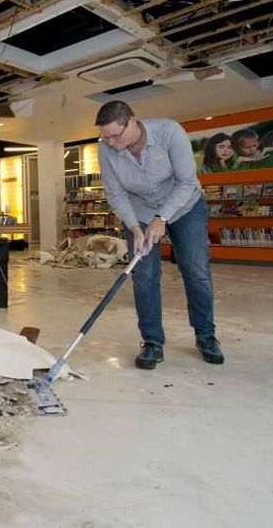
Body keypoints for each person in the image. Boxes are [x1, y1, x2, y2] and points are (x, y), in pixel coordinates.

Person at [95, 100, 224, 369]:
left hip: (185, 206)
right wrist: (134, 227)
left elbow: (187, 182)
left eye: (114, 135)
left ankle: (206, 336)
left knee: (196, 270)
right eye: (104, 136)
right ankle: (152, 342)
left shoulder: (169, 132)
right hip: (141, 213)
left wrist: (161, 218)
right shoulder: (106, 147)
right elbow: (115, 193)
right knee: (145, 275)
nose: (109, 142)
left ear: (132, 121)